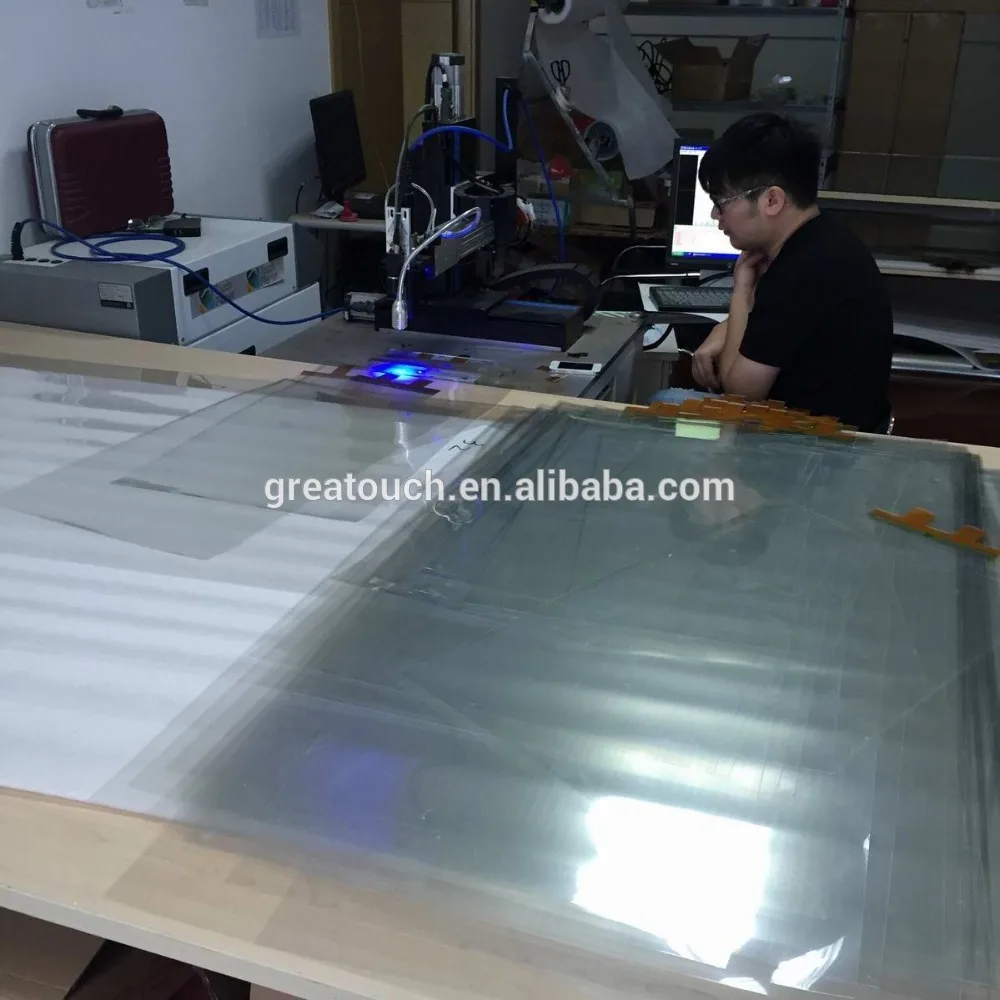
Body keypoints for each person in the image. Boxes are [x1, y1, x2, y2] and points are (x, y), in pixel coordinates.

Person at [676, 113, 894, 433]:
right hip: (829, 433)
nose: (715, 214)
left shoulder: (801, 270)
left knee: (660, 410)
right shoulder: (823, 240)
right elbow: (773, 330)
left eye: (720, 202)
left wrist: (741, 290)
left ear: (772, 200)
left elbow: (740, 393)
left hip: (814, 450)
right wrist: (723, 331)